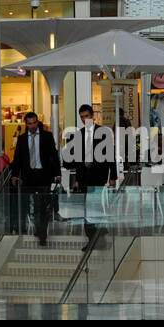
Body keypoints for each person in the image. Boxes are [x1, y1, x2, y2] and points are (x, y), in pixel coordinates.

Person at [64, 104, 116, 251]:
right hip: (84, 176)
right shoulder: (78, 134)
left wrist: (113, 176)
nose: (84, 119)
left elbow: (110, 155)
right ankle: (95, 236)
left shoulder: (103, 132)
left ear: (92, 116)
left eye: (86, 116)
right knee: (87, 209)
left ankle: (96, 237)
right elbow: (76, 162)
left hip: (99, 175)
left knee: (93, 206)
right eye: (81, 117)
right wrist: (77, 180)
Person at [10, 112, 59, 246]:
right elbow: (17, 159)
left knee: (42, 206)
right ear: (26, 124)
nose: (32, 126)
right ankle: (35, 228)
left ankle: (42, 233)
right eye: (29, 123)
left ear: (37, 122)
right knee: (29, 205)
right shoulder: (22, 139)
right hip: (28, 176)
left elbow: (54, 156)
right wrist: (15, 174)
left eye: (34, 123)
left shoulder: (47, 136)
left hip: (43, 175)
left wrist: (57, 174)